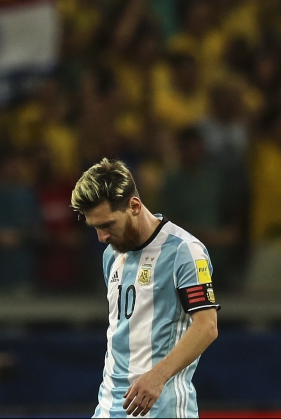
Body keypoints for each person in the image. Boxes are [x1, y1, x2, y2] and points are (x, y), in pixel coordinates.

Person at [72, 158, 219, 418]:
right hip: (109, 408)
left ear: (134, 206)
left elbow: (206, 326)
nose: (101, 237)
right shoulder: (111, 255)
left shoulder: (185, 250)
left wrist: (157, 377)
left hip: (163, 408)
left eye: (107, 225)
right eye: (95, 227)